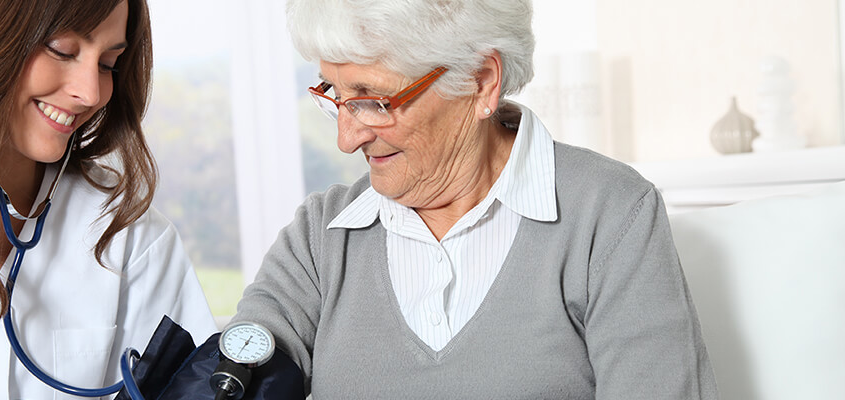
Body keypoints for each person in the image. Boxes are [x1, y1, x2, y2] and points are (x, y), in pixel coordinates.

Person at [228, 0, 719, 398]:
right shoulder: (322, 236)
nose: (347, 138)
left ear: (482, 81)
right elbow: (231, 372)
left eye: (373, 100)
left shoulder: (609, 215)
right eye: (333, 93)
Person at [0, 0, 216, 398]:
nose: (90, 92)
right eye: (63, 50)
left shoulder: (129, 237)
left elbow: (196, 385)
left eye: (108, 63)